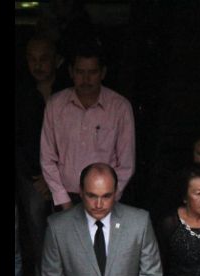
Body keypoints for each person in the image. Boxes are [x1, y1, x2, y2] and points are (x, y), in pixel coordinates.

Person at [40, 40, 135, 210]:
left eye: (92, 72)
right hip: (65, 195)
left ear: (102, 73)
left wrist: (108, 199)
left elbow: (126, 164)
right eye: (80, 72)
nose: (86, 79)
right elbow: (47, 157)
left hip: (105, 198)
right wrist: (62, 199)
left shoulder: (120, 107)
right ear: (71, 72)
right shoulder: (55, 105)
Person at [15, 35, 68, 276]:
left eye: (43, 58)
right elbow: (19, 141)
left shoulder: (67, 90)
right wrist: (38, 177)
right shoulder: (22, 93)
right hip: (33, 179)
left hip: (68, 176)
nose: (37, 64)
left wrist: (57, 177)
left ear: (56, 60)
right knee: (38, 237)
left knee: (67, 236)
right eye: (32, 58)